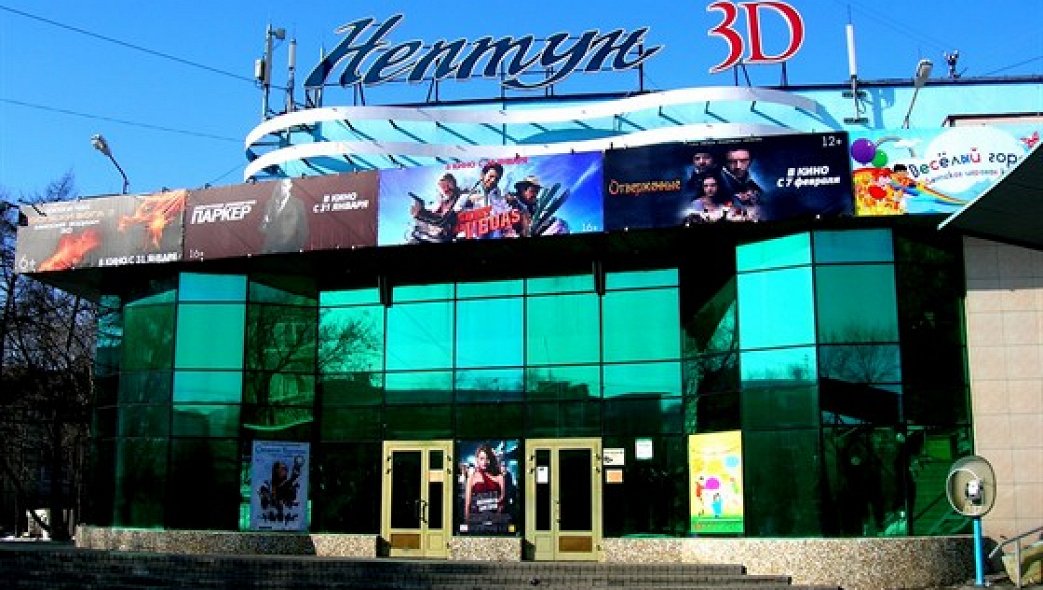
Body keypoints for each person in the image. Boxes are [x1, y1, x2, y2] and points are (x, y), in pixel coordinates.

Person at [260, 178, 309, 253]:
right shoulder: (269, 204)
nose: (281, 188)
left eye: (284, 185)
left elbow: (303, 229)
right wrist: (265, 223)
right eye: (280, 185)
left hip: (289, 247)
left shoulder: (297, 204)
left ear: (290, 186)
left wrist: (297, 247)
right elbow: (262, 230)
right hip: (270, 249)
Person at [409, 172, 461, 243]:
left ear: (453, 183)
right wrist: (420, 210)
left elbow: (443, 220)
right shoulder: (442, 202)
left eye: (448, 184)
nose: (446, 189)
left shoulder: (460, 198)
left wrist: (420, 213)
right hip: (431, 237)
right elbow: (436, 215)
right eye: (442, 186)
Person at [463, 444, 505, 525]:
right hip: (476, 522)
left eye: (487, 459)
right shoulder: (472, 478)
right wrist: (467, 524)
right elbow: (467, 505)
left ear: (491, 460)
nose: (485, 462)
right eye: (482, 459)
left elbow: (502, 503)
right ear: (477, 459)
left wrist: (496, 520)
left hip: (495, 522)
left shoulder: (499, 477)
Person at [718, 148, 762, 220]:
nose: (738, 166)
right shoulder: (716, 181)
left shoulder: (751, 184)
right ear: (725, 162)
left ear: (750, 161)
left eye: (744, 161)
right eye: (732, 162)